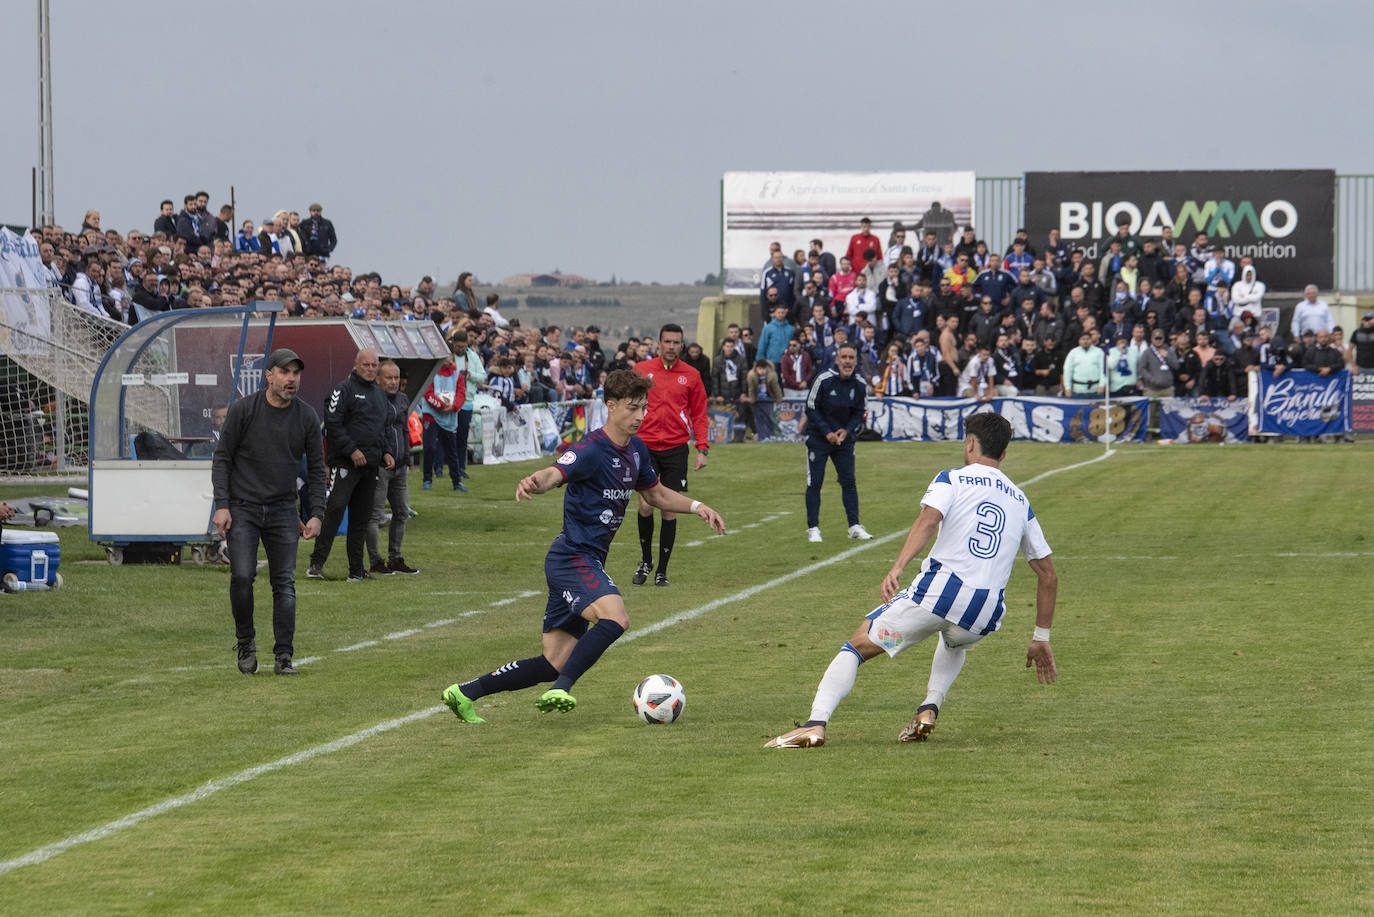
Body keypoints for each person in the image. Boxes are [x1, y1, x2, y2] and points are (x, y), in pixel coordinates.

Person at [439, 370, 726, 722]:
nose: (640, 416)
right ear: (611, 406)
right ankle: (562, 688)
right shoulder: (590, 449)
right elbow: (557, 472)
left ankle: (465, 692)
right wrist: (535, 481)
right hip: (572, 557)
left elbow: (656, 494)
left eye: (644, 408)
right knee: (615, 617)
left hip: (583, 559)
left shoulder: (636, 450)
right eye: (633, 408)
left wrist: (698, 507)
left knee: (552, 661)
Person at [765, 413, 1058, 748]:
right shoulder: (1022, 502)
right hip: (982, 614)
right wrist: (1041, 637)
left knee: (857, 646)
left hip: (937, 598)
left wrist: (897, 566)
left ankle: (815, 724)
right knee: (952, 639)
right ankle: (929, 708)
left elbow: (929, 519)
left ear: (970, 444)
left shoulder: (953, 479)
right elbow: (1048, 575)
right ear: (1004, 454)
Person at [211, 349, 327, 676]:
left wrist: (316, 512)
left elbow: (318, 470)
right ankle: (245, 642)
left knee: (284, 584)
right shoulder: (244, 410)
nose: (292, 379)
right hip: (243, 508)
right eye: (285, 372)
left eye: (296, 373)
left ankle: (284, 656)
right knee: (243, 576)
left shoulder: (305, 417)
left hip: (282, 510)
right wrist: (222, 505)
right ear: (269, 375)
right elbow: (222, 460)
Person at [632, 323, 709, 588]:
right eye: (667, 342)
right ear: (659, 343)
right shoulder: (642, 370)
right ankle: (645, 561)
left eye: (676, 342)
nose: (671, 347)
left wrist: (702, 447)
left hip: (676, 449)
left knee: (669, 509)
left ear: (682, 345)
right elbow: (628, 405)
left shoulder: (692, 375)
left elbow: (699, 413)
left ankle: (662, 571)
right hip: (645, 446)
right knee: (645, 505)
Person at [307, 349, 393, 581]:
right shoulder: (342, 390)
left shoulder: (379, 394)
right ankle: (316, 563)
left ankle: (356, 570)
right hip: (345, 463)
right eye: (366, 365)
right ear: (356, 365)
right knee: (335, 509)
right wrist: (351, 450)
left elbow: (382, 429)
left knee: (361, 519)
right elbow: (332, 424)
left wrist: (386, 452)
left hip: (371, 466)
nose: (370, 369)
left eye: (374, 365)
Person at [804, 343, 871, 544]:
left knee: (849, 481)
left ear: (856, 361)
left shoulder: (859, 384)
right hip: (819, 438)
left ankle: (854, 526)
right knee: (815, 482)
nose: (847, 362)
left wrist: (846, 431)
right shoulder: (823, 379)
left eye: (851, 358)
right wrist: (827, 432)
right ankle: (813, 528)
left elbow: (860, 411)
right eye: (844, 357)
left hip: (844, 441)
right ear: (837, 359)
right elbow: (810, 407)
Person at [366, 361, 418, 576]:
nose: (393, 382)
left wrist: (406, 457)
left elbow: (404, 430)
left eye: (396, 378)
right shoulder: (373, 400)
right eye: (388, 378)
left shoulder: (403, 399)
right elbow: (372, 432)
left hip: (400, 465)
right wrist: (382, 454)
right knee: (375, 516)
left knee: (402, 512)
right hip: (380, 466)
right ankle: (375, 560)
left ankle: (395, 558)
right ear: (378, 379)